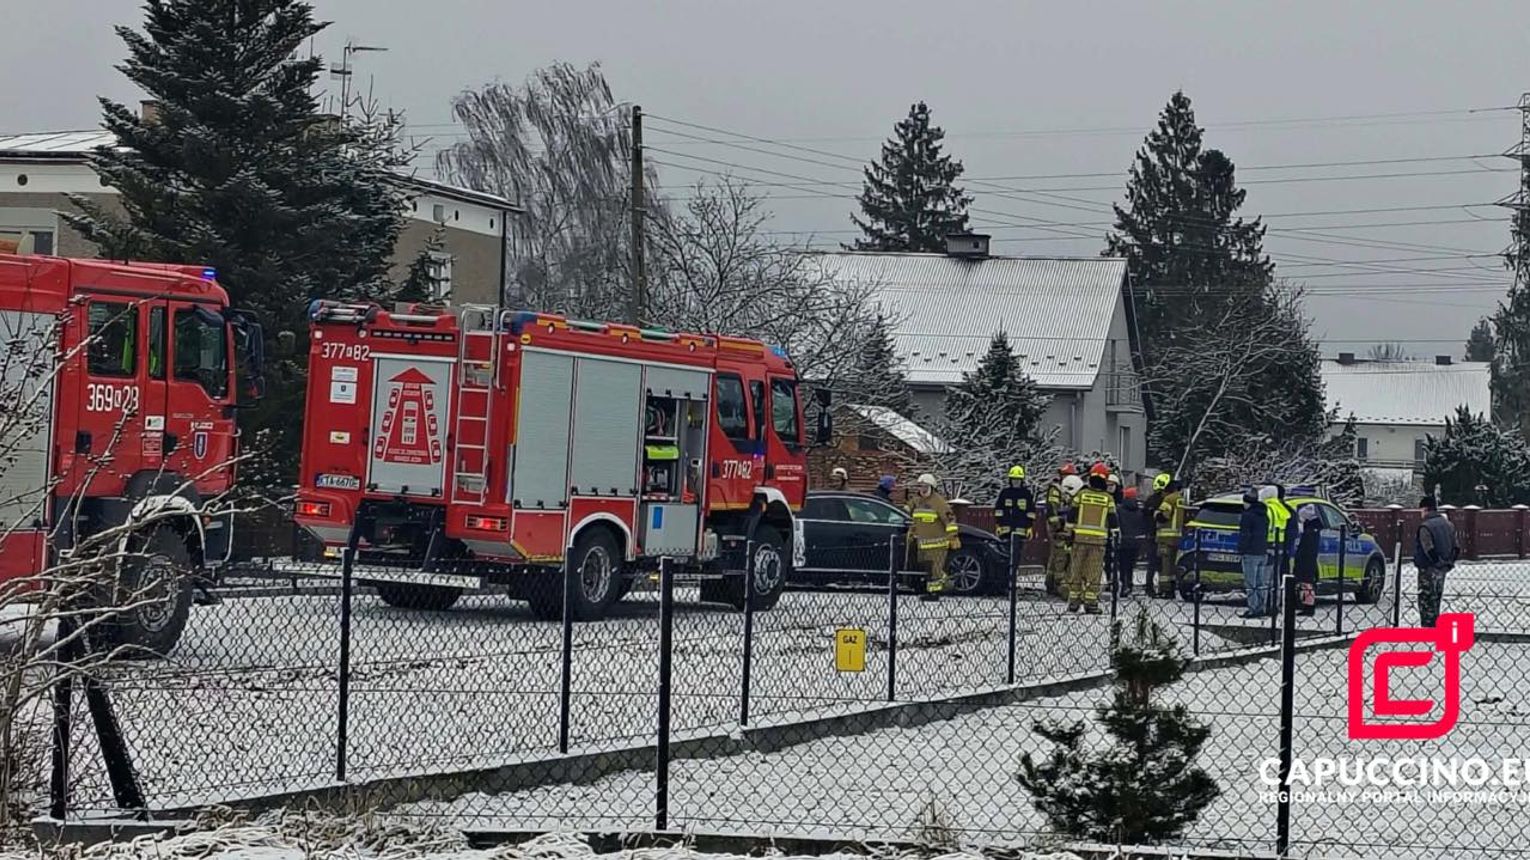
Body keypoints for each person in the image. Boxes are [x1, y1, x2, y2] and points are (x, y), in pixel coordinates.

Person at [1066, 463, 1117, 614]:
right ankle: (1091, 603)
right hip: (1098, 542)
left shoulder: (1081, 495)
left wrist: (1069, 532)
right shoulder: (1108, 499)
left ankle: (1074, 602)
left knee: (1076, 570)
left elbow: (1071, 515)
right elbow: (1113, 520)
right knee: (1093, 572)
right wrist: (1116, 535)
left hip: (1079, 539)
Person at [907, 473, 958, 601]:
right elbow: (915, 521)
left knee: (935, 570)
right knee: (928, 570)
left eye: (925, 486)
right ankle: (936, 587)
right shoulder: (917, 502)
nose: (922, 489)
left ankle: (934, 594)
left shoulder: (938, 502)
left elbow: (950, 519)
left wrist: (953, 536)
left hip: (938, 544)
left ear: (932, 487)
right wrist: (912, 533)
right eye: (920, 486)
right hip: (923, 544)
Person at [1414, 496, 1459, 627]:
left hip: (1428, 568)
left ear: (1425, 509)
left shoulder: (1425, 526)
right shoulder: (1448, 525)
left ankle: (1428, 627)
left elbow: (1428, 548)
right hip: (1443, 568)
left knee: (1426, 599)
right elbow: (1456, 547)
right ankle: (1436, 624)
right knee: (1437, 597)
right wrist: (1448, 562)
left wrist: (1436, 562)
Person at [1043, 464, 1077, 597]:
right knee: (1060, 554)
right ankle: (1059, 584)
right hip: (1057, 526)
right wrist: (1057, 525)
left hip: (1062, 524)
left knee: (1055, 554)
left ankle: (1050, 582)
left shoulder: (1068, 488)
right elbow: (1052, 508)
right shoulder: (1056, 489)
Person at [1238, 488, 1271, 618]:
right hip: (1262, 551)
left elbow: (1245, 535)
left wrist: (1241, 549)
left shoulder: (1247, 516)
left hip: (1250, 552)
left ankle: (1252, 609)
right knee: (1261, 582)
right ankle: (1261, 607)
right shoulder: (1264, 514)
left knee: (1250, 582)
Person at [994, 465, 1034, 565]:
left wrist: (1029, 527)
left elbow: (1030, 512)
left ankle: (1014, 575)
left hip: (1020, 531)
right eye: (1014, 480)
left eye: (1018, 480)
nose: (1016, 482)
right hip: (1005, 530)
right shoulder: (1005, 493)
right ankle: (1005, 577)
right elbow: (999, 509)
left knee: (1017, 556)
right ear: (1010, 480)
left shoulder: (1026, 494)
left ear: (1022, 481)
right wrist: (998, 524)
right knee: (1004, 556)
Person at [1154, 475, 1186, 598]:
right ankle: (1173, 587)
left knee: (1165, 566)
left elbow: (1164, 516)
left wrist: (1156, 513)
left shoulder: (1168, 499)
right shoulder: (1182, 499)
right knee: (1174, 565)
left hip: (1166, 538)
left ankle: (1165, 590)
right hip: (1179, 537)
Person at [1115, 486, 1144, 596]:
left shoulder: (1119, 510)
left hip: (1123, 541)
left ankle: (1124, 584)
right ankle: (1130, 583)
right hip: (1136, 541)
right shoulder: (1139, 511)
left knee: (1123, 565)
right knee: (1131, 565)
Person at [1293, 504, 1321, 616]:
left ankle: (1308, 606)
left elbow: (1306, 547)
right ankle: (1307, 604)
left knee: (1307, 582)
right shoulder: (1313, 528)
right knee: (1307, 582)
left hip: (1306, 559)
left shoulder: (1310, 530)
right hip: (1308, 558)